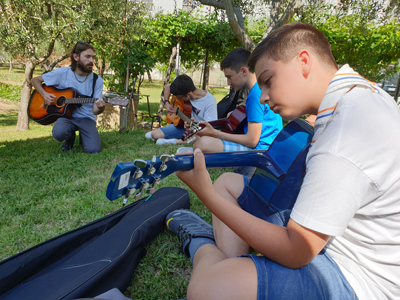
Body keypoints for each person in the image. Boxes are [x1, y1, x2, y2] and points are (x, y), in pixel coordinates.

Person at [165, 22, 400, 300]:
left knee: (207, 289)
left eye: (268, 81)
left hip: (356, 278)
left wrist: (204, 193)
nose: (263, 98)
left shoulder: (344, 130)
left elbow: (296, 252)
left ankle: (201, 243)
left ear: (303, 61)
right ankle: (228, 270)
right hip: (335, 235)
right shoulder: (358, 93)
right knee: (229, 182)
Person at [188, 48, 282, 154]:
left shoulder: (255, 95)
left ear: (243, 71)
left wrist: (215, 133)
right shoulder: (259, 89)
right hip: (269, 146)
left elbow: (252, 141)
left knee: (202, 143)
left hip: (262, 150)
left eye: (229, 77)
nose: (228, 82)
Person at [31, 42, 105, 154]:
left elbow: (95, 110)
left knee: (93, 150)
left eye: (93, 57)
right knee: (59, 133)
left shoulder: (97, 80)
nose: (91, 61)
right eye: (87, 56)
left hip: (86, 118)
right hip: (66, 117)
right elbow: (34, 80)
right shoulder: (63, 73)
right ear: (76, 57)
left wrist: (100, 108)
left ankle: (83, 135)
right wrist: (44, 94)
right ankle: (70, 137)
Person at [145, 74, 217, 145]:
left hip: (198, 132)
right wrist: (167, 103)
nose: (177, 99)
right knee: (155, 135)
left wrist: (193, 128)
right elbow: (167, 88)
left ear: (189, 94)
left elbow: (210, 128)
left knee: (202, 138)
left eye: (179, 98)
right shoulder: (186, 87)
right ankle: (173, 135)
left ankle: (174, 141)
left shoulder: (209, 101)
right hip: (183, 126)